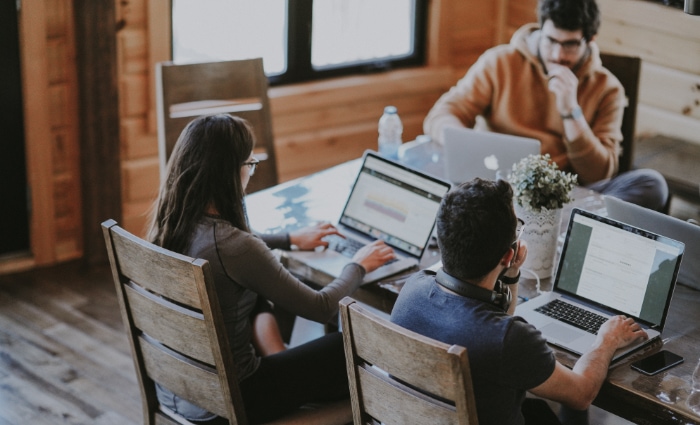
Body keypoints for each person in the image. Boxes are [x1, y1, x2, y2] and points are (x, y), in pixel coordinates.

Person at [147, 114, 396, 424]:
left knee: (254, 294)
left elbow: (233, 249)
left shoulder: (171, 223)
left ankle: (282, 360)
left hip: (176, 387)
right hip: (233, 400)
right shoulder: (234, 247)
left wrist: (289, 239)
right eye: (250, 165)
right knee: (346, 345)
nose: (251, 172)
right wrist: (358, 264)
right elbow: (319, 307)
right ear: (230, 172)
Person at [390, 178, 648, 425]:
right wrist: (607, 340)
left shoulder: (412, 290)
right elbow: (581, 394)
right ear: (508, 254)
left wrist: (511, 274)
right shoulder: (509, 339)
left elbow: (495, 324)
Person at [424, 0, 668, 212]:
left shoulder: (608, 89)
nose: (557, 54)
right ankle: (551, 226)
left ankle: (552, 225)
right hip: (496, 186)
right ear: (541, 28)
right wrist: (467, 146)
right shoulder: (499, 62)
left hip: (564, 196)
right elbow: (441, 116)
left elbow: (600, 174)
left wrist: (571, 111)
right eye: (551, 40)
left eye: (570, 44)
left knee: (652, 184)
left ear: (589, 40)